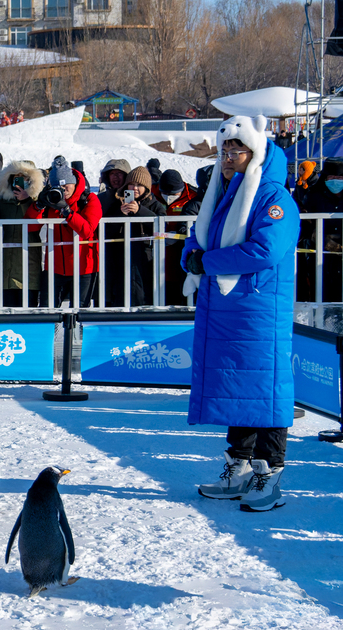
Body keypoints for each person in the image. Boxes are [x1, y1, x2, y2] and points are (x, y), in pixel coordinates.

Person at [182, 116, 299, 512]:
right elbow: (198, 240)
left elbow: (266, 250)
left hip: (259, 309)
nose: (229, 157)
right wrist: (193, 258)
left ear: (256, 153)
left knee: (264, 390)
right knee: (240, 390)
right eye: (225, 150)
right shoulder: (226, 193)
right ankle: (240, 468)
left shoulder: (274, 197)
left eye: (237, 150)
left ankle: (271, 473)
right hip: (231, 310)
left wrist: (206, 262)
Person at [28, 158, 103, 308]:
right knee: (48, 313)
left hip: (84, 268)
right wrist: (38, 205)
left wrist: (67, 212)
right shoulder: (51, 201)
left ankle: (77, 333)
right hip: (55, 268)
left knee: (79, 314)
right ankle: (52, 333)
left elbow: (87, 231)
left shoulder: (88, 200)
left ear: (74, 182)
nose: (63, 189)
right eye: (58, 185)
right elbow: (30, 227)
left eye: (66, 184)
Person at [299, 158, 343, 302]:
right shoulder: (313, 196)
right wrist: (324, 242)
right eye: (331, 177)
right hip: (319, 257)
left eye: (339, 177)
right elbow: (306, 225)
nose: (335, 180)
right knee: (319, 301)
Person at [101, 166, 165, 307]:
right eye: (132, 184)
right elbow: (104, 232)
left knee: (145, 298)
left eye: (139, 185)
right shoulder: (117, 204)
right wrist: (119, 215)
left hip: (146, 260)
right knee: (120, 298)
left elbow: (161, 227)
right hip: (119, 261)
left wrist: (140, 211)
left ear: (147, 187)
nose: (135, 188)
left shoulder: (155, 205)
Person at [0, 160, 44, 307]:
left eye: (25, 179)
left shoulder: (39, 204)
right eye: (17, 178)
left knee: (28, 316)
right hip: (4, 271)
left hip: (29, 270)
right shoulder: (1, 204)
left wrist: (27, 201)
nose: (20, 182)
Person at [154, 169, 202, 305]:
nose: (169, 197)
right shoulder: (152, 193)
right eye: (165, 194)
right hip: (157, 258)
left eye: (174, 194)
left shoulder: (192, 196)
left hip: (181, 254)